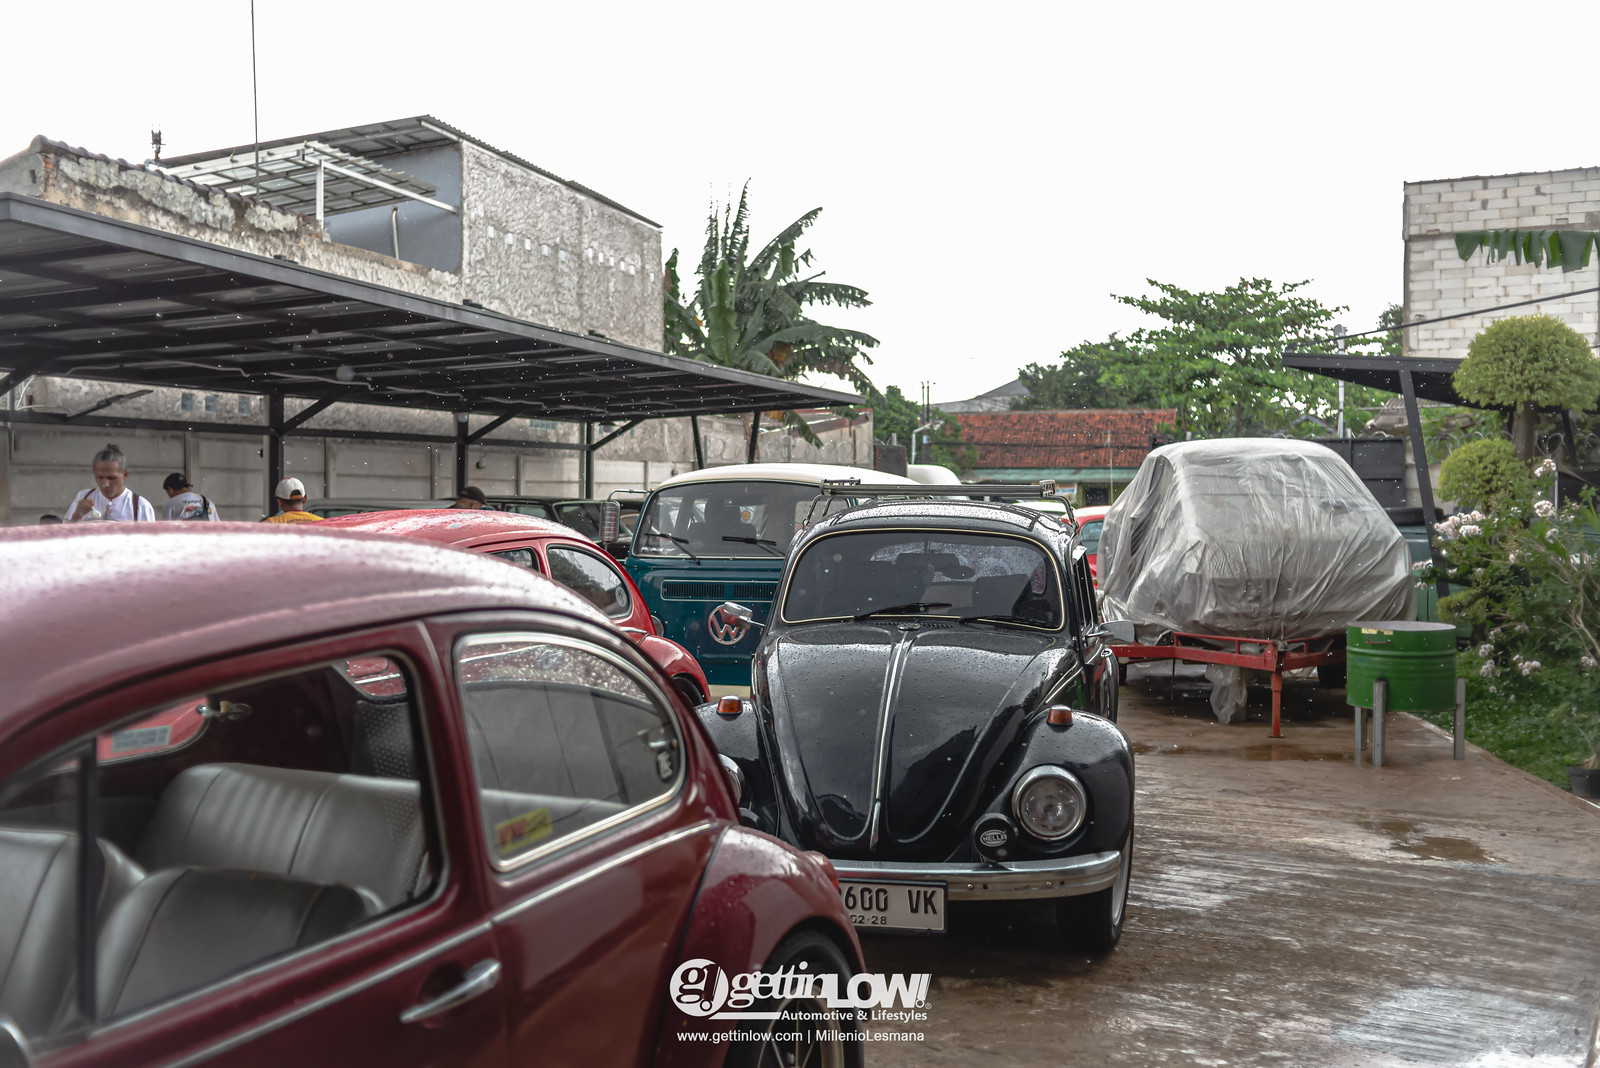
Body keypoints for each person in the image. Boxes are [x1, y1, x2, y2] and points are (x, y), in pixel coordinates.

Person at [66, 444, 156, 522]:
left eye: (111, 478)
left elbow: (150, 536)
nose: (105, 484)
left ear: (125, 474)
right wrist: (76, 515)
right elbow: (63, 533)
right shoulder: (83, 497)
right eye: (100, 477)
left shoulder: (140, 507)